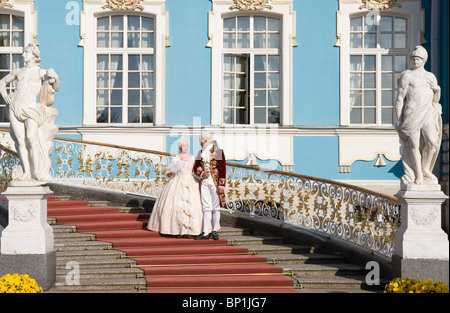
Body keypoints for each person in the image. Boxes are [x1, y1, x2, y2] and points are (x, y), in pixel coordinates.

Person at [0, 43, 60, 185]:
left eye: (26, 52)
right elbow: (2, 82)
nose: (23, 55)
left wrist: (55, 77)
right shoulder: (18, 71)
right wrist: (6, 96)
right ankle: (27, 172)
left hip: (32, 108)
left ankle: (37, 172)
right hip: (15, 107)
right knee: (21, 141)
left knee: (31, 138)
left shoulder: (41, 72)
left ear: (34, 55)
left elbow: (56, 87)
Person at [395, 45, 442, 185]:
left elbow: (435, 101)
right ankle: (418, 175)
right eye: (413, 58)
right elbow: (399, 99)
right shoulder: (407, 76)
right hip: (411, 114)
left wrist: (438, 91)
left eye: (418, 59)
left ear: (424, 60)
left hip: (427, 113)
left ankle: (426, 169)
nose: (415, 61)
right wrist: (399, 120)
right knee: (414, 146)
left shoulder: (430, 77)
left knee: (432, 143)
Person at [147, 137, 202, 237]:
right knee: (176, 205)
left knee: (192, 205)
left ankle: (190, 231)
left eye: (187, 146)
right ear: (180, 147)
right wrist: (171, 173)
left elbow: (196, 170)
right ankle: (177, 229)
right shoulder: (176, 158)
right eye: (184, 146)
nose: (186, 147)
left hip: (191, 182)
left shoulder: (193, 158)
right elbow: (168, 173)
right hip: (178, 181)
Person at [194, 132, 226, 240]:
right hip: (204, 182)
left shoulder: (218, 151)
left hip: (215, 183)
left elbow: (223, 169)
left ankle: (215, 230)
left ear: (205, 141)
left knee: (216, 207)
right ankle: (205, 232)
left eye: (201, 141)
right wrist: (202, 173)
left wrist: (221, 186)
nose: (200, 143)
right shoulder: (200, 153)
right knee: (206, 207)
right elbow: (195, 167)